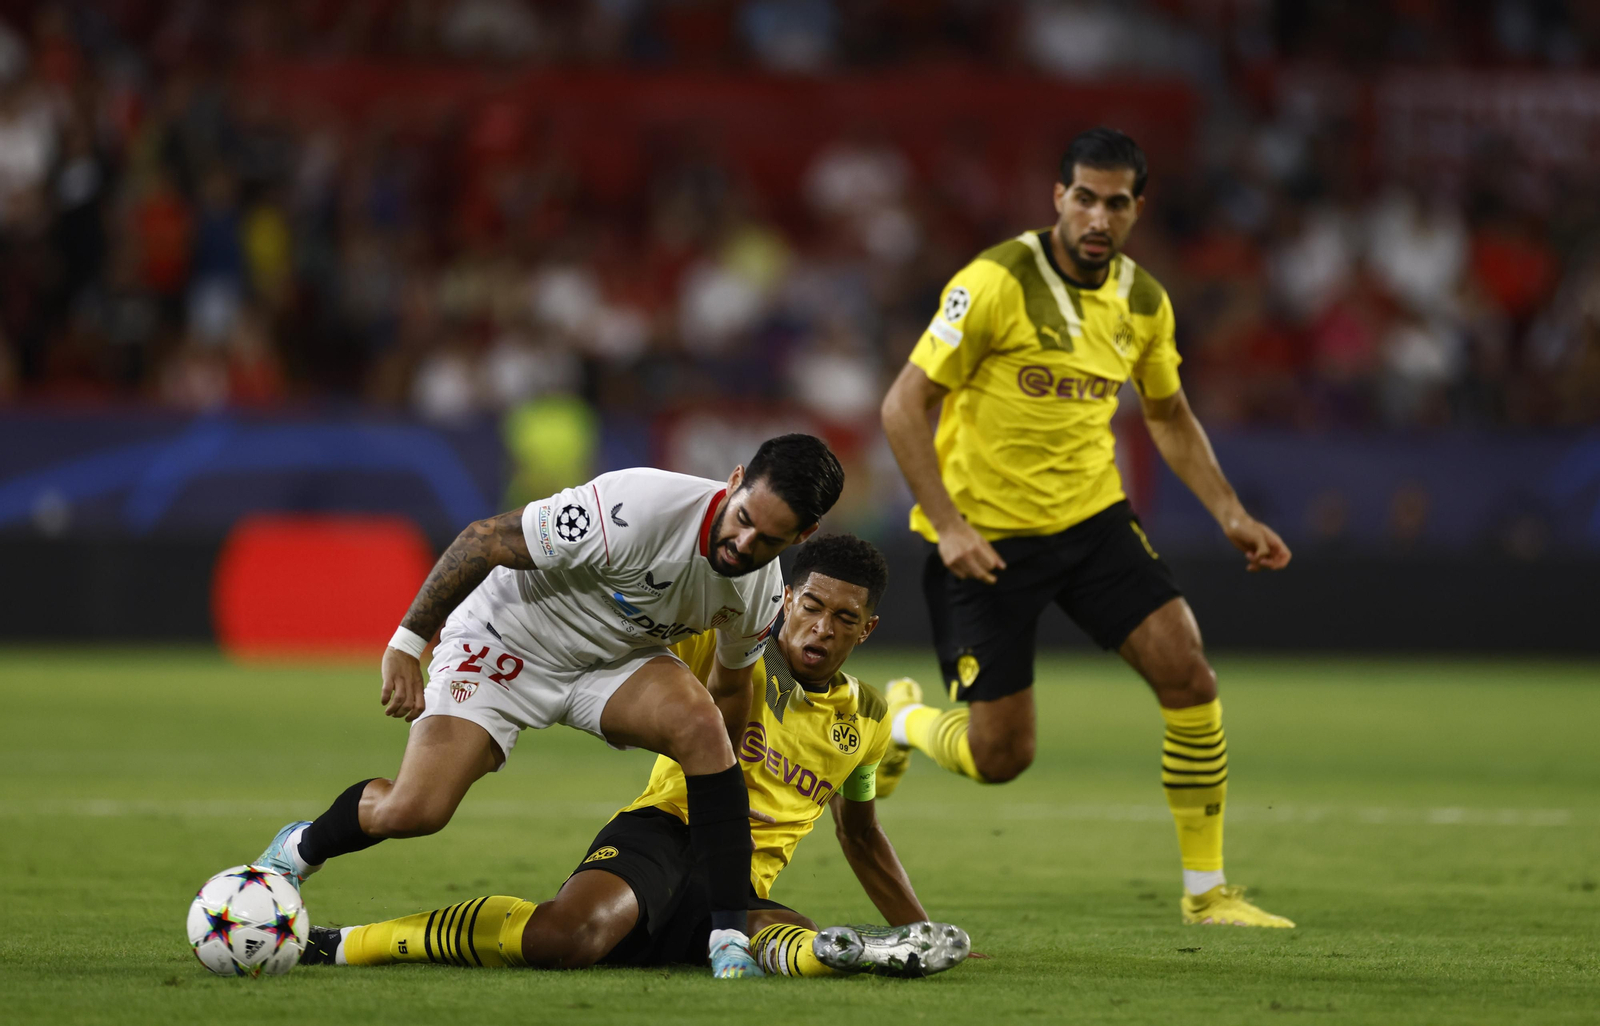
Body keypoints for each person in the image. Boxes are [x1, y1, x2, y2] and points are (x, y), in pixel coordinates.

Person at [878, 127, 1294, 928]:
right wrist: (949, 524)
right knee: (1001, 759)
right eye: (1085, 198)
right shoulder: (995, 281)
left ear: (1138, 208)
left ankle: (1207, 894)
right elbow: (903, 406)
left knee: (1190, 675)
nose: (1098, 216)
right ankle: (899, 719)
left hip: (1092, 521)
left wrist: (1230, 512)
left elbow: (1168, 414)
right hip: (986, 540)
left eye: (1116, 202)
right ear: (1058, 199)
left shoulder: (1144, 300)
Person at [253, 434, 846, 976]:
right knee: (415, 810)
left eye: (768, 540)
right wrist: (407, 644)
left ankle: (726, 940)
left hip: (613, 662)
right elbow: (483, 540)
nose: (742, 545)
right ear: (734, 480)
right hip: (507, 640)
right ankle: (295, 852)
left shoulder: (762, 589)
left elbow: (733, 686)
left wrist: (720, 779)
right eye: (742, 520)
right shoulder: (634, 508)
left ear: (802, 536)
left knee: (701, 728)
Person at [297, 535, 970, 979]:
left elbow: (862, 836)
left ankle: (878, 951)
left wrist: (920, 925)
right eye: (812, 606)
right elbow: (622, 652)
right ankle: (355, 941)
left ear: (867, 627)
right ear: (786, 599)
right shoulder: (723, 649)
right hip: (663, 833)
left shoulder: (871, 720)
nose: (822, 628)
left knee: (788, 935)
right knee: (569, 939)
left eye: (845, 618)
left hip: (736, 884)